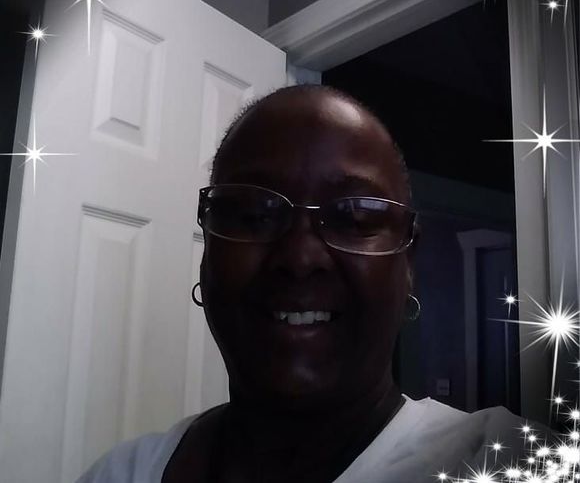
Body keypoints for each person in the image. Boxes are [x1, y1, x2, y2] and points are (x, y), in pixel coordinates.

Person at [78, 85, 545, 483]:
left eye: (355, 216)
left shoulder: (510, 463)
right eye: (253, 214)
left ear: (408, 264)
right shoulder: (120, 473)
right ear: (208, 254)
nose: (300, 258)